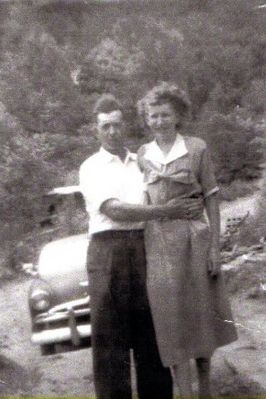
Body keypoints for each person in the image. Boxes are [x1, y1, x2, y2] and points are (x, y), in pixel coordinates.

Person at [79, 93, 204, 399]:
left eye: (117, 125)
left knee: (152, 332)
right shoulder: (91, 167)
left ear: (126, 126)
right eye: (106, 126)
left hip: (146, 247)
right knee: (111, 340)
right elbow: (115, 210)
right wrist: (167, 212)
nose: (112, 132)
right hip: (108, 252)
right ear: (96, 130)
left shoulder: (142, 162)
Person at [137, 82, 238, 399]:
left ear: (177, 115)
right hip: (160, 246)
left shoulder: (196, 148)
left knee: (202, 317)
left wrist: (214, 249)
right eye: (152, 116)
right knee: (171, 320)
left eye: (165, 114)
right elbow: (143, 202)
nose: (159, 121)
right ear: (146, 119)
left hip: (195, 239)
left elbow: (211, 198)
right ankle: (184, 392)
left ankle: (205, 390)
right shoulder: (142, 155)